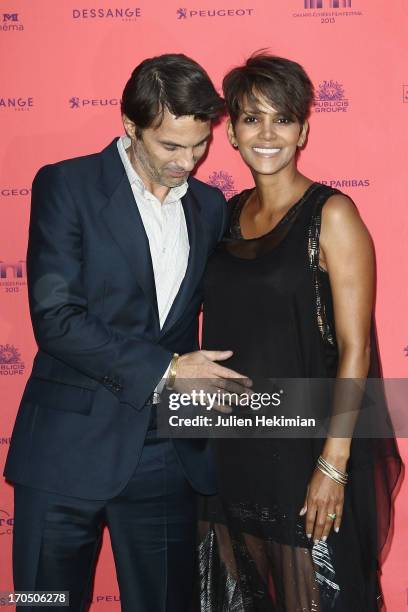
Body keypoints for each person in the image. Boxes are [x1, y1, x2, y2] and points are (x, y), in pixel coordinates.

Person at [4, 53, 250, 612]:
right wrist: (168, 369)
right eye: (170, 146)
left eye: (199, 146)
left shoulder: (210, 207)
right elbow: (56, 319)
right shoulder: (67, 185)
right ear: (130, 125)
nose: (187, 161)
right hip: (66, 452)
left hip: (166, 455)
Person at [198, 54, 402, 611]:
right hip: (232, 450)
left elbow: (356, 345)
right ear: (232, 135)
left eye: (281, 118)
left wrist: (332, 463)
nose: (267, 133)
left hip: (305, 450)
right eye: (250, 118)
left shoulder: (331, 214)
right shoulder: (224, 217)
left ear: (303, 129)